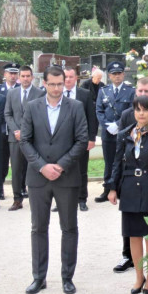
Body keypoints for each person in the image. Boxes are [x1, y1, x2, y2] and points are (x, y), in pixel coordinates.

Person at [20, 65, 88, 294]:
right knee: (38, 228)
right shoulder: (32, 107)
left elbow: (81, 140)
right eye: (52, 84)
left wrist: (60, 165)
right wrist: (42, 166)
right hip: (38, 178)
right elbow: (25, 140)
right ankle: (39, 277)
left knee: (69, 228)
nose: (57, 88)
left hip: (66, 177)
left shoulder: (76, 107)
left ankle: (67, 277)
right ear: (44, 83)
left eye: (61, 84)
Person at [108, 96, 148, 294]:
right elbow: (117, 162)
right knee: (133, 236)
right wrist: (112, 188)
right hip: (129, 189)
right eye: (137, 109)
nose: (141, 113)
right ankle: (138, 277)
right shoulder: (125, 134)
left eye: (145, 110)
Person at [4, 65, 45, 211]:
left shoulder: (40, 93)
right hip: (15, 139)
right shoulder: (12, 93)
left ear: (32, 77)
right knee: (16, 170)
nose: (26, 79)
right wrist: (16, 130)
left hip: (33, 139)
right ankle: (17, 199)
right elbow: (7, 114)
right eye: (23, 76)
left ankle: (36, 199)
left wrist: (26, 132)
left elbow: (40, 116)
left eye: (28, 76)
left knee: (34, 168)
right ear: (19, 78)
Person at [94, 61, 134, 204]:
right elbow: (99, 110)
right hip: (108, 133)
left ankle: (122, 188)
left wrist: (118, 125)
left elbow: (131, 110)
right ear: (109, 76)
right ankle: (107, 189)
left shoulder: (130, 91)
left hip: (124, 132)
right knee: (109, 161)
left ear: (123, 74)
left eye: (119, 73)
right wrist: (107, 126)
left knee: (124, 160)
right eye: (114, 74)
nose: (117, 76)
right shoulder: (103, 91)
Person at [62, 67, 98, 212]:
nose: (68, 79)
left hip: (81, 139)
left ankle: (81, 199)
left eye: (71, 77)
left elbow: (91, 117)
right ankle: (62, 200)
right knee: (62, 169)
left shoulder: (85, 94)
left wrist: (91, 138)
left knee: (81, 170)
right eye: (65, 77)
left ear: (76, 78)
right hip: (61, 140)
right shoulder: (57, 94)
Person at [0, 63, 20, 202]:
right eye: (10, 73)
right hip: (1, 133)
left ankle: (21, 188)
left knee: (19, 164)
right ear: (4, 75)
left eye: (14, 73)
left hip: (16, 131)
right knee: (1, 164)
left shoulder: (20, 90)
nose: (12, 76)